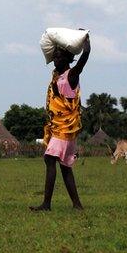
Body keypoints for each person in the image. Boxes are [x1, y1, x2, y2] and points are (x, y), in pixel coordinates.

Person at [31, 34, 90, 211]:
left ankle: (46, 204)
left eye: (58, 56)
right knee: (65, 166)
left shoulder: (71, 75)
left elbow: (84, 59)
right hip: (59, 127)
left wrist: (86, 43)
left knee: (49, 159)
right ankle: (77, 205)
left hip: (65, 128)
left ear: (68, 58)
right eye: (54, 56)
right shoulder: (58, 76)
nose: (55, 59)